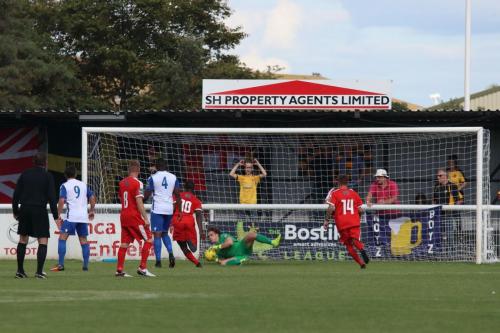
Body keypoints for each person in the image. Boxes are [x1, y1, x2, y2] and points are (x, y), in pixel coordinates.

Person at [12, 152, 58, 279]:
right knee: (43, 240)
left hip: (25, 209)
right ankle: (39, 272)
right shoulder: (48, 176)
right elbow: (52, 198)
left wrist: (16, 211)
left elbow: (16, 195)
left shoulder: (25, 174)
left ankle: (20, 271)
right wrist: (56, 216)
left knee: (22, 239)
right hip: (39, 210)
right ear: (45, 163)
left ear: (33, 162)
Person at [50, 166, 96, 272]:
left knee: (62, 238)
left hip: (71, 217)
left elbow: (61, 200)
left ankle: (61, 264)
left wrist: (58, 214)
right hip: (83, 217)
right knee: (83, 240)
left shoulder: (65, 185)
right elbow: (92, 197)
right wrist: (92, 210)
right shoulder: (83, 185)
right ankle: (85, 266)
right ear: (75, 174)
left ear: (65, 175)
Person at [116, 160, 155, 277]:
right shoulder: (138, 183)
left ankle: (119, 269)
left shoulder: (121, 183)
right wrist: (146, 218)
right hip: (134, 216)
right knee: (149, 239)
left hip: (123, 216)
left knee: (124, 243)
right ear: (138, 170)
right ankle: (142, 268)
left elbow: (122, 199)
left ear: (129, 170)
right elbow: (139, 202)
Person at [324, 175, 369, 269]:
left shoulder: (335, 193)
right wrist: (357, 218)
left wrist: (327, 220)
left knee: (348, 244)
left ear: (338, 182)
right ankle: (361, 249)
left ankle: (361, 263)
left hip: (342, 222)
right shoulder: (354, 193)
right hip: (354, 221)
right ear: (347, 183)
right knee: (355, 240)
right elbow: (360, 210)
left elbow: (331, 207)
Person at [144, 159, 180, 268]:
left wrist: (142, 199)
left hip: (158, 209)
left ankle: (158, 261)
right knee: (165, 233)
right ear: (166, 166)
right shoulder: (173, 177)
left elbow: (147, 194)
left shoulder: (152, 178)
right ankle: (171, 254)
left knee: (157, 234)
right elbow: (178, 194)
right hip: (169, 208)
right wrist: (178, 210)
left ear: (156, 167)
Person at [207, 226, 280, 266]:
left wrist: (217, 247)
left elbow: (230, 243)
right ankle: (241, 259)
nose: (210, 237)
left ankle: (273, 242)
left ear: (217, 234)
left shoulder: (223, 236)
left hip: (242, 247)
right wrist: (215, 259)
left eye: (211, 235)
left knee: (251, 235)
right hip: (236, 256)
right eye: (209, 236)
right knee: (223, 264)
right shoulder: (215, 250)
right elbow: (221, 261)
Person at [171, 180, 203, 267]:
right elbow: (199, 216)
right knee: (194, 248)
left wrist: (170, 224)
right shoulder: (196, 200)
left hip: (178, 220)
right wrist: (201, 230)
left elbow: (172, 209)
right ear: (194, 189)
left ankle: (197, 263)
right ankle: (190, 239)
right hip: (189, 221)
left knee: (183, 246)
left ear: (184, 187)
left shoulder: (177, 196)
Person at [366, 169, 400, 246]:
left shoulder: (392, 184)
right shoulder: (374, 184)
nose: (377, 179)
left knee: (394, 235)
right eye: (377, 177)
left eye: (379, 177)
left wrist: (383, 202)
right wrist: (368, 201)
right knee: (382, 236)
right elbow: (369, 195)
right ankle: (383, 251)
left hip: (393, 214)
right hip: (381, 215)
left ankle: (394, 252)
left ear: (385, 177)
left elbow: (394, 198)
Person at [432, 169, 464, 249]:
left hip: (449, 213)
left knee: (449, 233)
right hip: (439, 214)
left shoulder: (452, 186)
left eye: (440, 176)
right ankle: (441, 251)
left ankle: (451, 252)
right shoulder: (436, 186)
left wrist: (452, 209)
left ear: (445, 176)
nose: (438, 177)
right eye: (437, 176)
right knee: (440, 233)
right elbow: (434, 200)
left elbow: (459, 200)